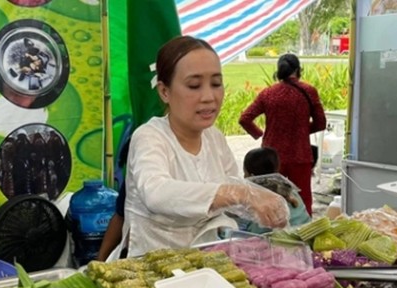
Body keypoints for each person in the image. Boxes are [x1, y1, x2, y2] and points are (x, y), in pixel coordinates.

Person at [119, 35, 289, 258]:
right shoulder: (150, 137)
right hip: (150, 268)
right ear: (164, 91)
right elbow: (156, 193)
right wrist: (239, 194)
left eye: (216, 84)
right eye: (194, 85)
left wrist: (266, 197)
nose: (209, 97)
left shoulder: (214, 138)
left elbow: (232, 187)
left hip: (204, 264)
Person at [239, 53, 326, 216]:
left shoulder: (268, 93)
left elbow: (245, 119)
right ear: (299, 70)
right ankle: (303, 230)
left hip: (271, 157)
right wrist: (301, 130)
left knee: (269, 196)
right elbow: (321, 122)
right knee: (302, 198)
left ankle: (270, 229)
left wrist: (260, 133)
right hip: (300, 154)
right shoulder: (309, 91)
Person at [241, 147, 310, 232]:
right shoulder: (289, 190)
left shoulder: (256, 199)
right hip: (305, 237)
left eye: (245, 173)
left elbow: (255, 233)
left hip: (276, 242)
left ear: (251, 176)